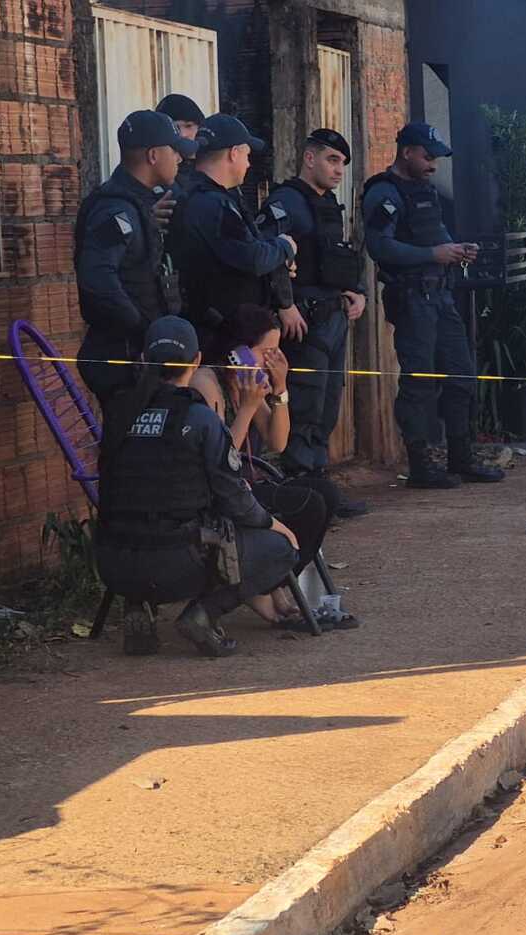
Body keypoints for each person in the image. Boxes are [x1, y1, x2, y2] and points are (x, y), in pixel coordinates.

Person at [96, 316, 299, 657]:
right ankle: (203, 613)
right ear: (197, 360)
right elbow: (232, 496)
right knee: (282, 548)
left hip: (112, 564)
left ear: (144, 359)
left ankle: (137, 603)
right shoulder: (198, 416)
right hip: (178, 565)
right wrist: (273, 525)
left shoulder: (117, 413)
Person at [191, 304, 356, 631]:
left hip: (240, 487)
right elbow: (219, 458)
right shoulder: (206, 383)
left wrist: (279, 391)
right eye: (266, 351)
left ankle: (272, 585)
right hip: (216, 494)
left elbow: (278, 442)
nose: (272, 359)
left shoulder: (244, 382)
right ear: (238, 351)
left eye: (276, 351)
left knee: (325, 493)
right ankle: (263, 589)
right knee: (308, 505)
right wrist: (247, 408)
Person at [362, 123, 504, 489]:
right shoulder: (384, 192)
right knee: (419, 383)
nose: (432, 165)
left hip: (441, 295)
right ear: (406, 152)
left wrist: (457, 250)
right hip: (412, 299)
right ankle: (421, 464)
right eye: (427, 157)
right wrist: (433, 254)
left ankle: (461, 456)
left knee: (461, 375)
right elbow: (379, 246)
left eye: (436, 158)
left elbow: (434, 235)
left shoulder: (424, 190)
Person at [259, 128, 369, 515]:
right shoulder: (286, 201)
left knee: (326, 407)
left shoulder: (328, 204)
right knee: (305, 405)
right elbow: (267, 255)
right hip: (303, 321)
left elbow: (337, 258)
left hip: (332, 317)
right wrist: (284, 304)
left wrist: (357, 292)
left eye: (343, 163)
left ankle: (319, 491)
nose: (339, 170)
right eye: (331, 160)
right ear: (309, 158)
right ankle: (302, 496)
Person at [73, 109, 195, 409]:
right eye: (174, 151)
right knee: (132, 437)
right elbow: (97, 279)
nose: (179, 159)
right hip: (124, 356)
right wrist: (142, 328)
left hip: (140, 353)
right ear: (153, 155)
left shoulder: (138, 204)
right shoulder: (115, 209)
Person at [168, 113, 298, 351]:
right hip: (222, 338)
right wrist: (285, 246)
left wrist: (277, 257)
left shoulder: (215, 198)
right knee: (243, 375)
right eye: (247, 155)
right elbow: (252, 257)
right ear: (234, 153)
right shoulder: (211, 204)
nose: (249, 164)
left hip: (227, 331)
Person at [154, 93, 205, 221]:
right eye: (175, 128)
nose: (183, 134)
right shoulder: (154, 169)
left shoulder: (210, 164)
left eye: (189, 126)